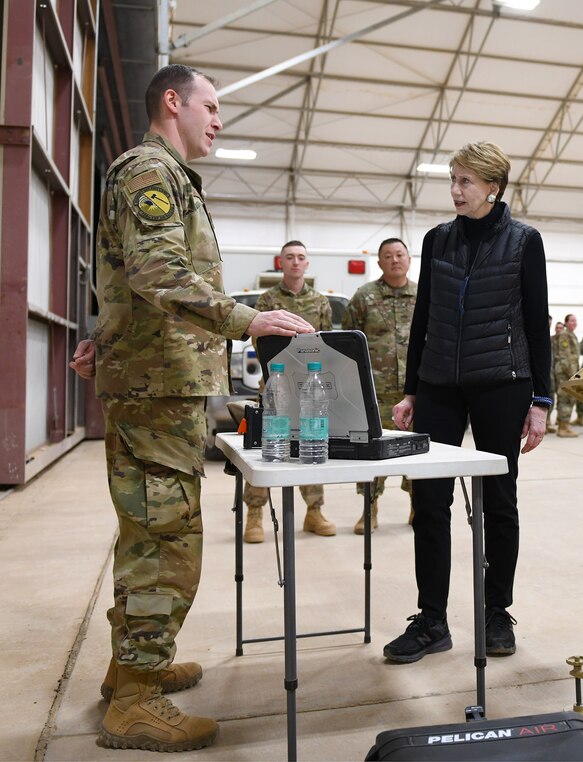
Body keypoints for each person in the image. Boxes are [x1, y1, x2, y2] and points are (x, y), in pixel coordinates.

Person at [68, 64, 314, 751]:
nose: (218, 119)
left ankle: (130, 670)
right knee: (165, 542)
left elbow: (124, 278)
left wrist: (106, 337)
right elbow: (155, 270)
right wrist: (248, 318)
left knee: (152, 533)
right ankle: (137, 700)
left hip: (158, 382)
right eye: (210, 106)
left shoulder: (163, 175)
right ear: (171, 102)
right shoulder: (151, 171)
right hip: (156, 390)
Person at [383, 141, 551, 663]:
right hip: (439, 384)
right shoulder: (437, 240)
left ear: (493, 187)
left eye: (466, 182)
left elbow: (536, 322)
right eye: (453, 180)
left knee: (498, 500)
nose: (456, 191)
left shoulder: (524, 241)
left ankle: (496, 612)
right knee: (429, 502)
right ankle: (431, 620)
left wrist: (541, 399)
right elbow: (424, 318)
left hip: (502, 382)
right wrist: (413, 388)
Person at [242, 241, 335, 543]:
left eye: (301, 258)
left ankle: (314, 511)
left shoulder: (320, 301)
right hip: (275, 387)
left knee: (311, 442)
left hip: (311, 387)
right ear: (280, 262)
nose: (296, 262)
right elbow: (259, 341)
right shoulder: (267, 300)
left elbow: (325, 344)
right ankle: (255, 514)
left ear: (307, 264)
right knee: (266, 448)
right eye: (290, 257)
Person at [342, 237, 417, 532]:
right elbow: (349, 342)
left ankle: (417, 506)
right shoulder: (364, 297)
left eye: (400, 254)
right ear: (379, 262)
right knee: (372, 452)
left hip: (415, 392)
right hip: (375, 393)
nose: (394, 260)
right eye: (388, 255)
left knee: (416, 451)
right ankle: (369, 509)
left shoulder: (425, 295)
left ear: (409, 259)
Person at [553, 314, 581, 437]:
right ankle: (563, 428)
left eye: (575, 320)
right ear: (566, 323)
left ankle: (562, 425)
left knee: (565, 397)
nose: (574, 323)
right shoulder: (565, 335)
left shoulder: (572, 335)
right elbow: (565, 357)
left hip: (570, 370)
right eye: (572, 321)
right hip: (566, 371)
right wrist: (572, 375)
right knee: (566, 398)